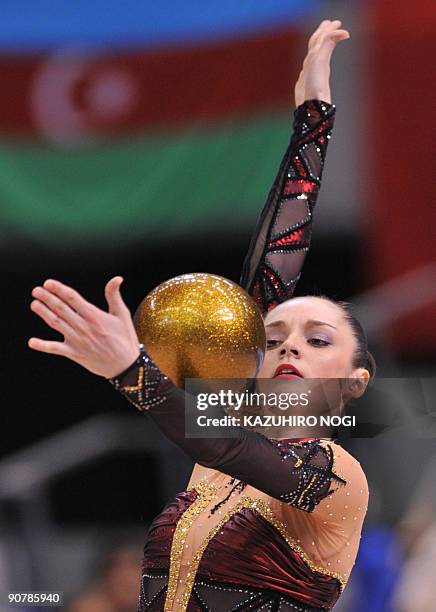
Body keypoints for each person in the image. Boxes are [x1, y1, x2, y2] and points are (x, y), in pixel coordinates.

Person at [29, 21, 371, 611]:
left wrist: (130, 369)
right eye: (274, 336)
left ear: (354, 380)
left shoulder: (336, 475)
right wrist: (312, 120)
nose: (288, 347)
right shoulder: (211, 464)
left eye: (317, 341)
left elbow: (229, 447)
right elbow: (272, 267)